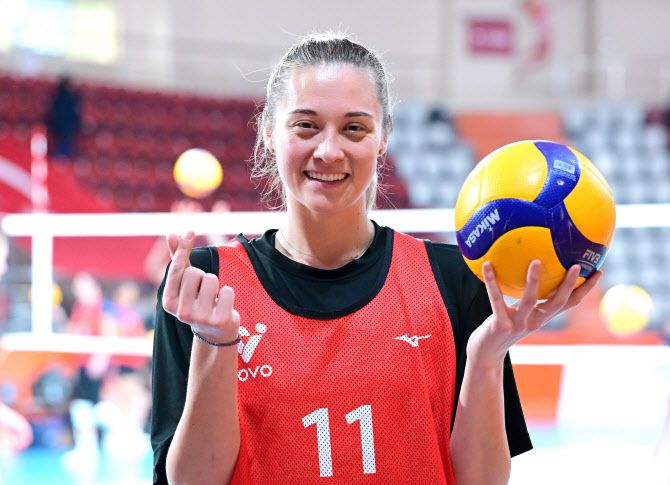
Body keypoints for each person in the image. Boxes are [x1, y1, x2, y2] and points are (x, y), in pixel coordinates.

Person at [151, 33, 601, 485]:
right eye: (306, 125)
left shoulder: (454, 280)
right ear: (270, 133)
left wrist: (487, 356)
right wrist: (215, 341)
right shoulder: (207, 287)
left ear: (383, 137)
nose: (329, 151)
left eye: (354, 128)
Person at [45, 75, 81, 159]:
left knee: (63, 143)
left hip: (62, 125)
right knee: (62, 144)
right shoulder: (67, 97)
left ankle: (62, 158)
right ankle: (61, 159)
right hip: (64, 126)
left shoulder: (57, 96)